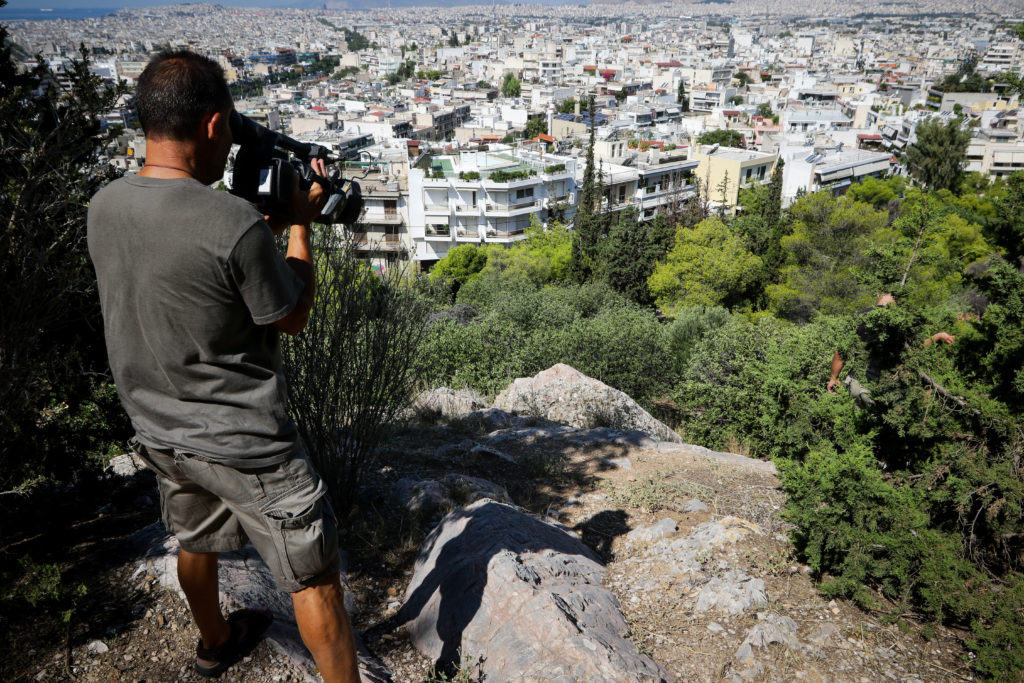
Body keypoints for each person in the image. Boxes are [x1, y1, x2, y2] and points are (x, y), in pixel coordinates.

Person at [87, 51, 359, 682]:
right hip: (248, 443)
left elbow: (187, 276)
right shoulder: (231, 224)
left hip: (158, 427)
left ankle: (214, 640)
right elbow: (289, 315)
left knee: (194, 539)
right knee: (313, 577)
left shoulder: (104, 205)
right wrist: (297, 227)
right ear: (213, 126)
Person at [827, 293, 955, 408]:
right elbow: (915, 348)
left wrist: (833, 378)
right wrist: (937, 336)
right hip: (884, 388)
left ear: (878, 294)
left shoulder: (857, 317)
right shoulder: (900, 322)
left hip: (857, 384)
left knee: (860, 426)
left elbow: (841, 354)